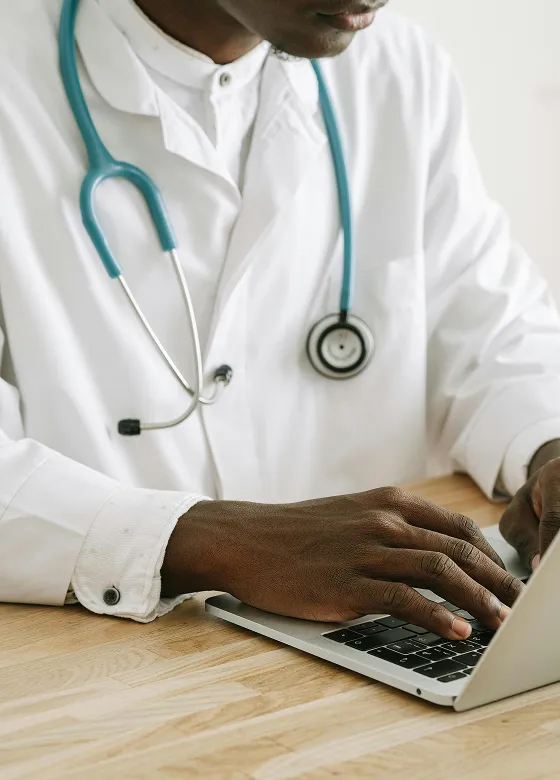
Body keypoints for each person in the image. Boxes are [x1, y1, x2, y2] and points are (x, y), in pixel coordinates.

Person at [0, 0, 559, 639]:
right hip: (101, 673)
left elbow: (494, 329)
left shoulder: (396, 68)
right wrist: (208, 542)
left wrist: (550, 443)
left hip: (378, 650)